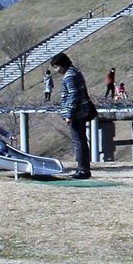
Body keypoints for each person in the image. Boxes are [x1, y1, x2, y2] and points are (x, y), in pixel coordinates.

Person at [51, 51, 93, 179]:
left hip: (77, 113)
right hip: (82, 110)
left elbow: (72, 96)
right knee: (82, 141)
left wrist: (69, 114)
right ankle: (84, 168)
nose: (57, 70)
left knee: (78, 141)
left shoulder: (69, 76)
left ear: (62, 64)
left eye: (57, 67)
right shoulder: (76, 72)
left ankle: (82, 170)